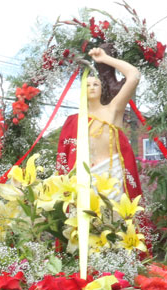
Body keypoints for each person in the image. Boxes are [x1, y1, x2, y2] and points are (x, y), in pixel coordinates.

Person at [56, 46, 142, 200]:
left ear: (102, 88)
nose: (92, 88)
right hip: (84, 179)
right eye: (87, 85)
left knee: (115, 221)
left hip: (112, 176)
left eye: (96, 84)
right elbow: (66, 156)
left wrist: (104, 59)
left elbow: (134, 75)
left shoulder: (113, 110)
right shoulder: (74, 121)